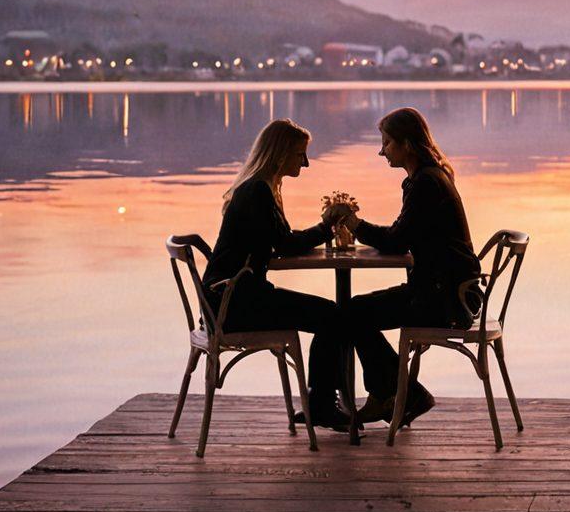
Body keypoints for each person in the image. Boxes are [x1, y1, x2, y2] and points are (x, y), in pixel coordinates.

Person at [330, 107, 482, 427]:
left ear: (406, 145)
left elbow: (397, 242)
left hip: (446, 301)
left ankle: (398, 395)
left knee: (354, 312)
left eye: (386, 143)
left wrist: (354, 223)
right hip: (443, 290)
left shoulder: (426, 183)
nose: (381, 150)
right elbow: (402, 236)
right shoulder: (426, 178)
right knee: (355, 310)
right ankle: (391, 395)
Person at [203, 118, 351, 430]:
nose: (306, 163)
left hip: (228, 300)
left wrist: (318, 231)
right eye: (301, 155)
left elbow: (280, 242)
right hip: (236, 305)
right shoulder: (258, 191)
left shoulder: (256, 188)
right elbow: (286, 244)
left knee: (331, 314)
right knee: (333, 316)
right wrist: (326, 226)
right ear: (280, 154)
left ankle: (321, 401)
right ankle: (322, 404)